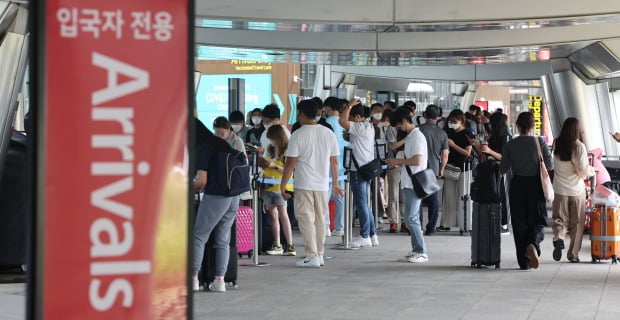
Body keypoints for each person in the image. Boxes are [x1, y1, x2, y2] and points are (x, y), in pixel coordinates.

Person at [280, 99, 343, 268]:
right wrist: (336, 183)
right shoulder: (328, 133)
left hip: (304, 184)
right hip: (322, 184)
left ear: (301, 114)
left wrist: (283, 184)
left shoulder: (298, 134)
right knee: (320, 219)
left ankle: (311, 254)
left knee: (306, 219)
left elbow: (290, 163)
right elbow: (335, 161)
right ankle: (320, 254)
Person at [192, 125, 249, 292]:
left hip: (217, 195)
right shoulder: (220, 144)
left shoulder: (203, 147)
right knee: (223, 238)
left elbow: (201, 181)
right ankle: (220, 280)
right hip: (234, 196)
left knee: (199, 236)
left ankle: (194, 279)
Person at [499, 112, 553, 270]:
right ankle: (533, 243)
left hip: (517, 185)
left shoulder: (510, 145)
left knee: (519, 223)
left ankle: (524, 262)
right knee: (538, 219)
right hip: (535, 184)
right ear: (532, 126)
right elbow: (549, 165)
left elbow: (503, 168)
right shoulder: (539, 142)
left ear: (517, 126)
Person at [385, 108, 429, 263]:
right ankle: (416, 249)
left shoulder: (416, 137)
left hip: (413, 182)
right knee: (412, 217)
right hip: (409, 181)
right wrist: (398, 163)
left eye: (398, 125)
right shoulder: (411, 136)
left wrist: (398, 161)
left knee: (411, 218)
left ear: (404, 121)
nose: (399, 128)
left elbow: (417, 160)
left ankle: (421, 251)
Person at [551, 118, 595, 263]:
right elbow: (582, 171)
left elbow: (553, 165)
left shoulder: (557, 143)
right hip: (576, 191)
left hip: (560, 189)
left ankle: (559, 238)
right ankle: (573, 254)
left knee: (559, 219)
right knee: (577, 223)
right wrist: (592, 170)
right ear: (577, 130)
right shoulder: (579, 146)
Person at [339, 99, 380, 248]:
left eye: (351, 116)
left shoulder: (359, 126)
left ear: (357, 117)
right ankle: (372, 234)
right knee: (365, 204)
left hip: (358, 170)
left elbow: (341, 121)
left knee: (361, 204)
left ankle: (365, 235)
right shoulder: (369, 126)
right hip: (367, 169)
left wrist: (349, 105)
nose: (349, 119)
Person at [473, 112, 512, 234]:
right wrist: (477, 146)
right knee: (494, 196)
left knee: (502, 196)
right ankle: (497, 222)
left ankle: (504, 224)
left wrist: (489, 150)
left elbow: (505, 157)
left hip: (502, 169)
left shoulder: (505, 136)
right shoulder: (493, 135)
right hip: (492, 169)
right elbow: (485, 154)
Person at [260, 125, 296, 256]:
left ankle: (290, 244)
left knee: (283, 214)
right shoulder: (269, 150)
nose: (271, 141)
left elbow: (289, 169)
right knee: (273, 215)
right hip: (268, 185)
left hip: (282, 187)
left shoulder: (288, 150)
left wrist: (274, 166)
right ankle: (277, 244)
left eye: (273, 138)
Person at [437, 110, 473, 232]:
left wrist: (453, 145)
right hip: (450, 168)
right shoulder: (448, 132)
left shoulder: (467, 134)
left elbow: (467, 153)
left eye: (454, 122)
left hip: (464, 169)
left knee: (463, 196)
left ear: (461, 121)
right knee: (448, 197)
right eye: (450, 122)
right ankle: (446, 223)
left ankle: (465, 224)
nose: (452, 124)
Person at [418, 105, 449, 235]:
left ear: (425, 115)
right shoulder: (442, 133)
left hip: (418, 168)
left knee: (417, 199)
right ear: (438, 117)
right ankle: (430, 228)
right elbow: (445, 154)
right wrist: (441, 169)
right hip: (434, 169)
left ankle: (417, 227)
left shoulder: (418, 130)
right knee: (433, 200)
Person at [324, 96, 349, 236]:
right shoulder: (345, 124)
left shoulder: (326, 123)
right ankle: (340, 227)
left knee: (325, 196)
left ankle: (326, 225)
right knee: (341, 197)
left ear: (328, 108)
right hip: (343, 165)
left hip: (329, 165)